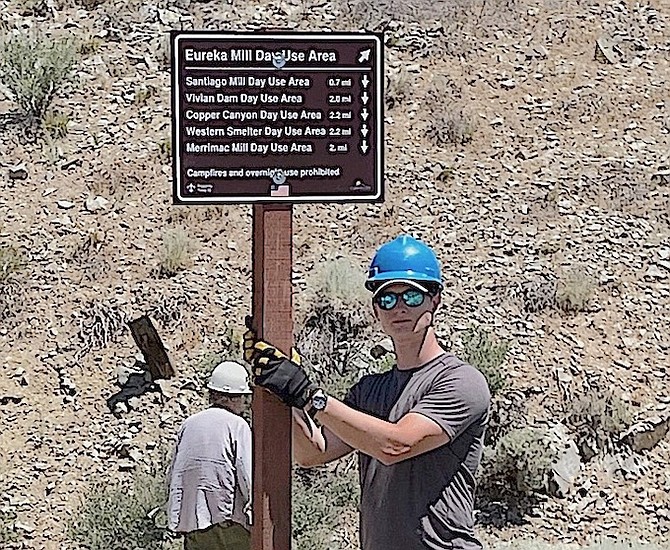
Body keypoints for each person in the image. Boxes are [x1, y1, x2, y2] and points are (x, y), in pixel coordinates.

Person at [246, 235, 492, 550]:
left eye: (412, 297)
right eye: (386, 298)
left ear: (436, 300)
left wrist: (307, 393)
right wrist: (282, 388)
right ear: (376, 309)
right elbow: (313, 452)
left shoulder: (459, 381)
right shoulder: (371, 390)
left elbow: (397, 444)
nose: (399, 307)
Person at [167, 360, 253, 550]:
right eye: (242, 397)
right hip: (229, 523)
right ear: (231, 398)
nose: (244, 403)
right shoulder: (237, 425)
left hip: (194, 526)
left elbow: (174, 474)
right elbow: (248, 476)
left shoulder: (189, 424)